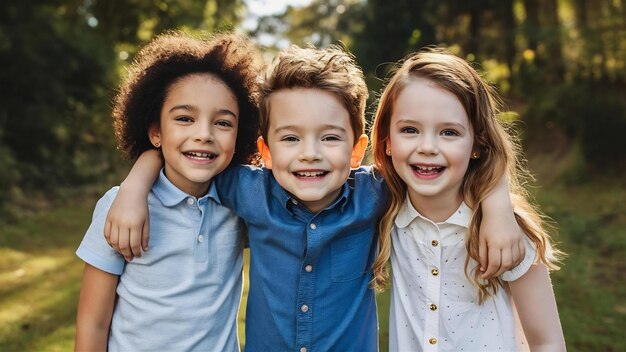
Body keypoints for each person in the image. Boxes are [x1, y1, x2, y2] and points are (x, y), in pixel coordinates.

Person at [103, 44, 526, 351]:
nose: (310, 153)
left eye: (329, 137)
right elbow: (189, 159)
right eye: (291, 138)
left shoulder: (379, 193)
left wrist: (498, 205)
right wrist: (136, 184)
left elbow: (464, 165)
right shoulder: (249, 190)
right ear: (265, 152)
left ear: (358, 150)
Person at [74, 31, 262, 351]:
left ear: (240, 135)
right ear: (156, 132)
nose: (203, 134)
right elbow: (93, 324)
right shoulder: (119, 207)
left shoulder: (242, 203)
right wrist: (135, 186)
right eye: (185, 118)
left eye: (223, 123)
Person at [370, 48, 566, 351]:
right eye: (410, 130)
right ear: (387, 141)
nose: (427, 147)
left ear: (477, 143)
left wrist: (499, 207)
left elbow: (548, 342)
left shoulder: (507, 233)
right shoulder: (381, 211)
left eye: (449, 132)